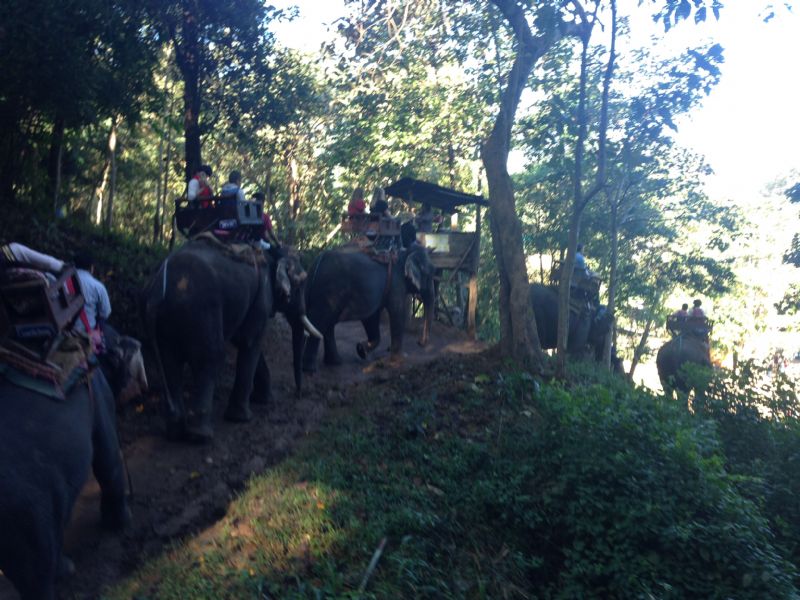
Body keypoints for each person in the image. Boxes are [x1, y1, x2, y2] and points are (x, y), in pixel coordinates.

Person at [72, 250, 111, 350]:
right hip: (85, 333)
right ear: (91, 268)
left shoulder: (63, 281)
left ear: (74, 265)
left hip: (61, 327)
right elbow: (105, 313)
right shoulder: (98, 287)